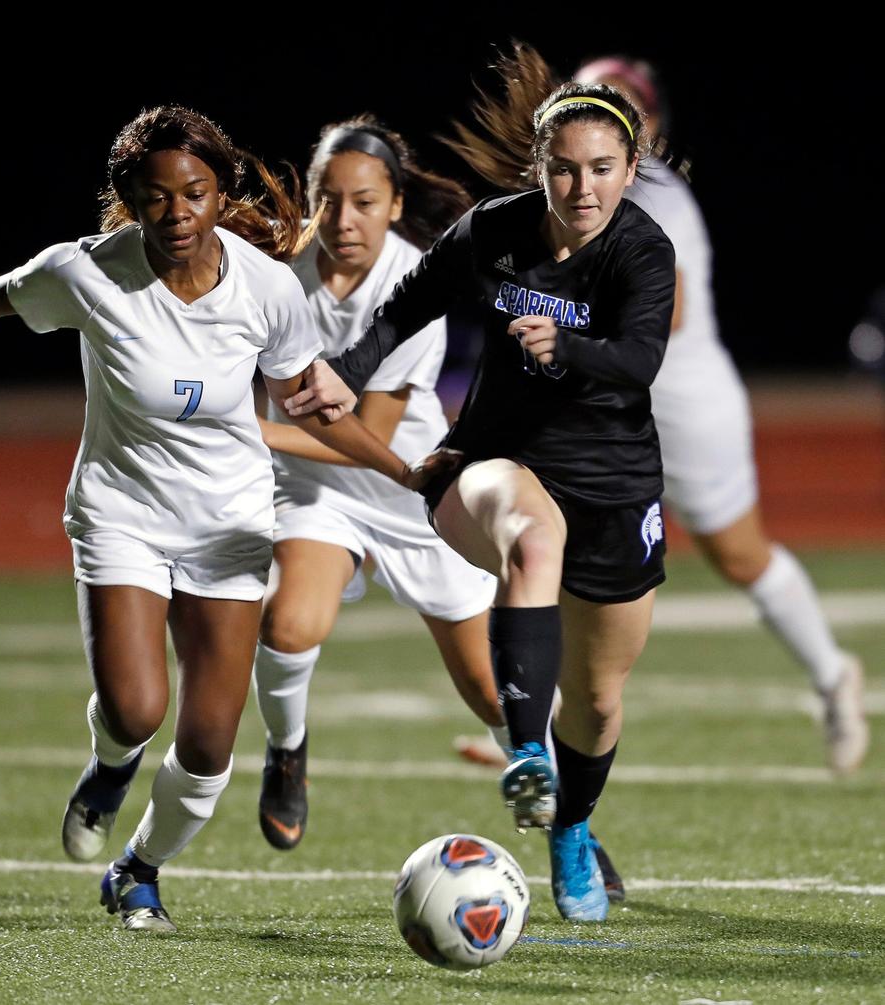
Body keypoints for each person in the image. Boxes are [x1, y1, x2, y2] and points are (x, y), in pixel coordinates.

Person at [0, 105, 439, 934]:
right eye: (157, 196)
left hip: (228, 521)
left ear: (219, 190)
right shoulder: (87, 272)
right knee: (135, 709)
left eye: (196, 192)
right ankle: (109, 768)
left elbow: (314, 407)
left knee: (207, 747)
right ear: (129, 195)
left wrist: (410, 472)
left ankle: (139, 870)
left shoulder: (267, 288)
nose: (178, 213)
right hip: (123, 513)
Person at [284, 44, 676, 922]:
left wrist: (565, 346)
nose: (583, 190)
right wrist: (349, 370)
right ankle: (525, 751)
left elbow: (639, 362)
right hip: (496, 463)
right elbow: (402, 308)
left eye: (603, 171)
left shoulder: (643, 250)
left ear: (629, 170)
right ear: (539, 169)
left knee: (604, 700)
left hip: (614, 486)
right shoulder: (491, 231)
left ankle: (570, 826)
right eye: (566, 170)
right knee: (531, 542)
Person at [455, 57, 869, 776]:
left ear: (648, 127)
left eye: (626, 105)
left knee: (739, 554)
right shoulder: (565, 186)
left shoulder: (658, 197)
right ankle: (532, 729)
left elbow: (660, 313)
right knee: (530, 540)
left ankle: (834, 674)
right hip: (588, 414)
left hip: (681, 409)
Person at [252, 115, 503, 852]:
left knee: (492, 691)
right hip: (314, 487)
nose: (344, 218)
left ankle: (568, 822)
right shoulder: (272, 273)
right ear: (308, 197)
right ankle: (287, 750)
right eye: (327, 199)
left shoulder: (413, 281)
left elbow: (372, 434)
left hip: (407, 485)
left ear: (394, 205)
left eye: (364, 201)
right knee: (288, 622)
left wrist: (249, 432)